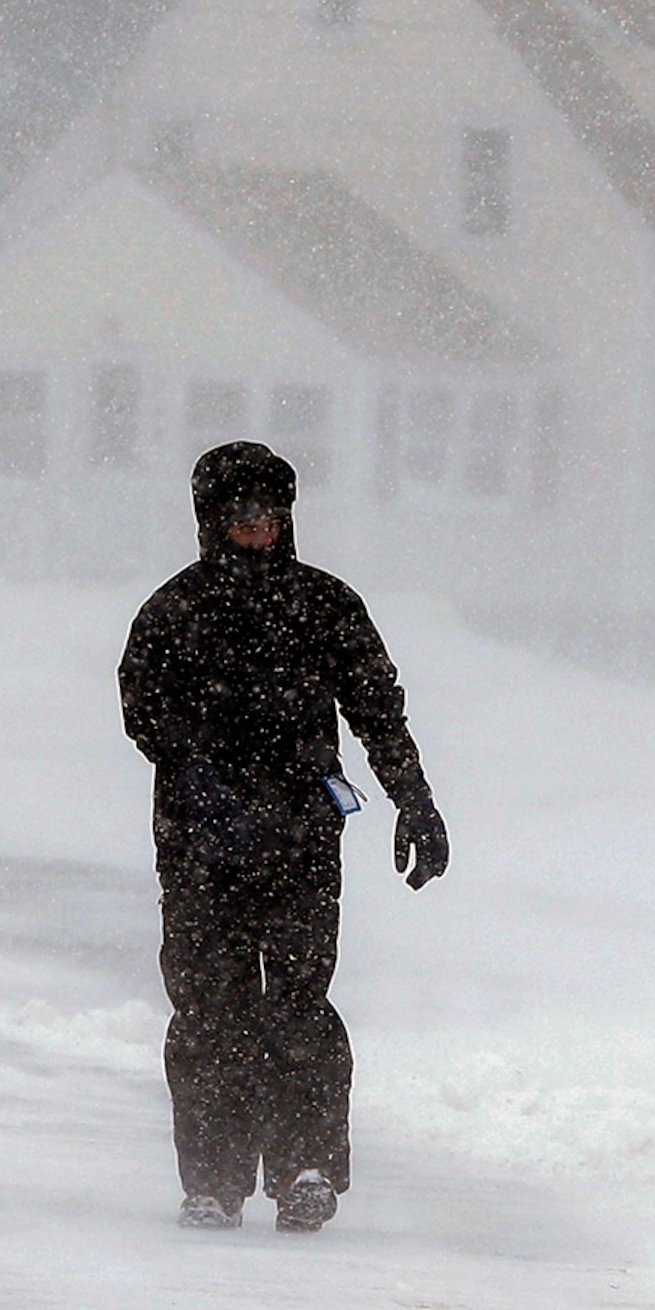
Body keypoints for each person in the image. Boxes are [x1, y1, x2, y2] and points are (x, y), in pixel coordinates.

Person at [118, 440, 448, 1234]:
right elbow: (143, 709)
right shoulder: (175, 612)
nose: (258, 533)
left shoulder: (326, 606)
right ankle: (215, 1180)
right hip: (202, 845)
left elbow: (378, 710)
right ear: (212, 524)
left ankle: (306, 1168)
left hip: (301, 841)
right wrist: (197, 772)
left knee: (300, 1003)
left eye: (271, 520)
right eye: (242, 521)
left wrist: (415, 801)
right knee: (209, 1010)